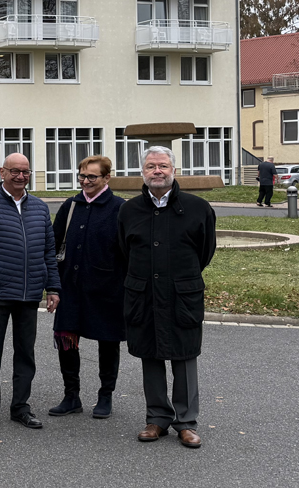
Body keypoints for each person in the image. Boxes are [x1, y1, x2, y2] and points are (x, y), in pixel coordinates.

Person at [118, 146, 216, 449]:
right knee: (150, 353)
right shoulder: (129, 210)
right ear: (142, 172)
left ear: (174, 170)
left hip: (182, 294)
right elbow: (125, 251)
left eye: (162, 165)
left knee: (185, 355)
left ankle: (186, 422)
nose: (156, 171)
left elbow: (205, 251)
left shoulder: (198, 208)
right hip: (143, 294)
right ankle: (157, 418)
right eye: (150, 167)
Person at [0, 152, 60, 431]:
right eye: (15, 171)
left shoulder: (41, 208)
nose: (21, 176)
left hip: (29, 295)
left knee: (25, 354)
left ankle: (21, 407)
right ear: (2, 172)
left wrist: (53, 287)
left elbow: (48, 253)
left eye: (26, 172)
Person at [48, 156, 127, 420]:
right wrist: (53, 285)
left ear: (106, 178)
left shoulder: (119, 208)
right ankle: (71, 396)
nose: (85, 181)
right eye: (82, 176)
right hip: (70, 287)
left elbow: (128, 251)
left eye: (92, 177)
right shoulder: (71, 205)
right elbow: (53, 244)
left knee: (108, 342)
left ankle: (105, 396)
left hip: (108, 289)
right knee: (66, 339)